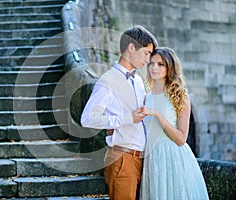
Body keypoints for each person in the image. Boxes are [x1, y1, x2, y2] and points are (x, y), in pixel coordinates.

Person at [80, 25, 158, 200]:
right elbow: (87, 119)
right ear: (131, 48)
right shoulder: (107, 81)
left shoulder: (138, 81)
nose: (148, 60)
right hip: (123, 158)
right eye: (146, 53)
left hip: (142, 158)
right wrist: (125, 119)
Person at [139, 47, 209, 199]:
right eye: (151, 63)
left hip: (172, 158)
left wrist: (157, 114)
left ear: (170, 67)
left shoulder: (180, 96)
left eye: (160, 64)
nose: (154, 67)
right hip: (152, 159)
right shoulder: (147, 97)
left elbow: (181, 139)